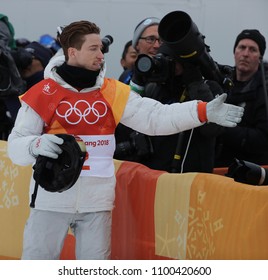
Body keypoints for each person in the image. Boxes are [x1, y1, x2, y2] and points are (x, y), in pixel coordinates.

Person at [7, 20, 244, 260]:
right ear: (72, 52)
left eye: (101, 48)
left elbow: (155, 117)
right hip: (50, 200)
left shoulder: (112, 91)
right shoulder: (44, 92)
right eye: (93, 49)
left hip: (96, 205)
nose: (101, 54)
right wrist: (35, 146)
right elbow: (15, 147)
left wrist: (202, 111)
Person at [127, 43, 225, 173]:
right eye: (161, 57)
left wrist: (195, 83)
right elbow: (126, 118)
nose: (164, 64)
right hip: (155, 178)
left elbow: (213, 129)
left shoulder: (209, 88)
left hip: (192, 180)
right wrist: (138, 80)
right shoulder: (154, 88)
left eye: (171, 60)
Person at [215, 29, 268, 167]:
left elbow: (262, 139)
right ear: (234, 52)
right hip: (218, 169)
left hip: (250, 171)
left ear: (260, 57)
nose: (245, 54)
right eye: (242, 47)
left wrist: (221, 129)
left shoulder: (265, 92)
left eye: (252, 50)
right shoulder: (221, 83)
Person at [114, 17, 161, 161]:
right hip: (134, 160)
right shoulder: (127, 77)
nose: (157, 45)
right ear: (136, 45)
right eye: (150, 39)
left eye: (161, 40)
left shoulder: (174, 76)